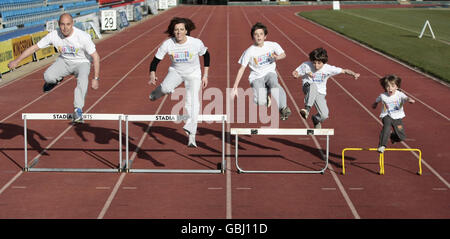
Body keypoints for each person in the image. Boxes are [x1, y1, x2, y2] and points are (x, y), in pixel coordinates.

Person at [8, 13, 100, 123]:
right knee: (48, 76)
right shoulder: (53, 35)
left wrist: (96, 78)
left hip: (82, 62)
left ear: (73, 24)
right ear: (58, 24)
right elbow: (34, 48)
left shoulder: (82, 37)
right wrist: (17, 61)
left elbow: (96, 57)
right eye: (62, 24)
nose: (65, 28)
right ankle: (54, 81)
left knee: (83, 79)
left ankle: (78, 109)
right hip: (64, 61)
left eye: (68, 24)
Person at [148, 17, 210, 148]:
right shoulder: (168, 44)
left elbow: (206, 55)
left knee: (193, 103)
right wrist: (152, 73)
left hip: (193, 74)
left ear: (186, 31)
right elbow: (155, 60)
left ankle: (191, 136)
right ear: (173, 31)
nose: (179, 32)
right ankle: (157, 93)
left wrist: (205, 75)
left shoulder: (196, 43)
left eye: (182, 29)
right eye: (176, 30)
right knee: (165, 89)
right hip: (176, 72)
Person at [231, 22, 291, 121]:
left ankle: (283, 108)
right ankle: (266, 97)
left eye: (261, 34)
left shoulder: (272, 45)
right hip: (256, 77)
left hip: (269, 73)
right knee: (261, 101)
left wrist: (277, 57)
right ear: (252, 37)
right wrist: (235, 87)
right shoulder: (249, 51)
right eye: (256, 34)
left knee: (274, 83)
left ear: (265, 36)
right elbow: (241, 69)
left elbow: (283, 54)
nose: (258, 36)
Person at [292, 47, 359, 128]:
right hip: (308, 87)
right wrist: (295, 75)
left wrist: (354, 74)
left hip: (320, 93)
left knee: (324, 115)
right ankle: (307, 109)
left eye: (319, 63)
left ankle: (316, 119)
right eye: (314, 63)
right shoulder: (306, 65)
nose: (316, 65)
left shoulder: (328, 68)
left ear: (324, 62)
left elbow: (344, 71)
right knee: (313, 85)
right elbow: (296, 72)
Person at [372, 74, 415, 153]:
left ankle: (392, 136)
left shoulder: (399, 94)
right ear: (385, 87)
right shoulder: (383, 96)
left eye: (392, 86)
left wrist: (410, 100)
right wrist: (374, 104)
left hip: (397, 117)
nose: (390, 88)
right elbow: (377, 100)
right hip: (386, 115)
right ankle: (382, 145)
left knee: (402, 137)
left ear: (397, 87)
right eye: (387, 86)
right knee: (387, 127)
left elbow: (406, 98)